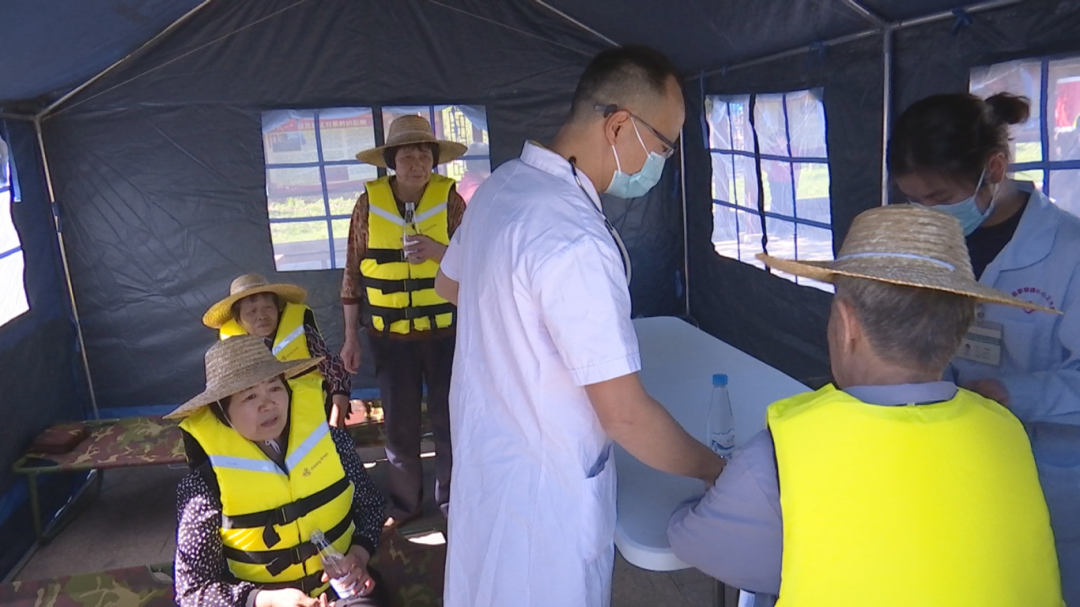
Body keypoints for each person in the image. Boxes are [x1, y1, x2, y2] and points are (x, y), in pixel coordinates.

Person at [434, 45, 724, 607]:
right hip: (547, 502)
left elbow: (450, 284)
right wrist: (716, 470)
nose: (662, 162)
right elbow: (625, 415)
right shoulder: (574, 238)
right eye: (664, 145)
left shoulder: (503, 186)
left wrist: (515, 328)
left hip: (491, 460)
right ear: (618, 125)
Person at [668, 205, 1063, 606]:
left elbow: (692, 542)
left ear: (846, 325)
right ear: (958, 334)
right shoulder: (1006, 433)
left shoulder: (784, 454)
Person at [888, 92, 1080, 604]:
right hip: (962, 457)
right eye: (914, 200)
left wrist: (1011, 394)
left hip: (1052, 473)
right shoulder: (932, 245)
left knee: (1050, 587)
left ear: (993, 169)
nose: (928, 213)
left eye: (939, 197)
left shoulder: (1069, 251)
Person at [170, 336, 387, 607]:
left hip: (341, 590)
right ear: (222, 413)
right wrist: (267, 600)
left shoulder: (334, 443)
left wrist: (358, 556)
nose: (268, 403)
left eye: (275, 387)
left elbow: (371, 506)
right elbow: (192, 592)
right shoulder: (203, 486)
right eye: (250, 396)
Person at [341, 115, 466, 526]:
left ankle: (454, 502)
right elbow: (352, 272)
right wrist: (350, 338)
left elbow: (476, 259)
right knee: (399, 426)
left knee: (451, 420)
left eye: (425, 154)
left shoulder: (452, 202)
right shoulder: (367, 205)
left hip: (446, 333)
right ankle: (405, 505)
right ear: (392, 161)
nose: (417, 162)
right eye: (408, 155)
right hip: (389, 337)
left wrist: (437, 251)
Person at [203, 274, 352, 427]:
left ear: (278, 309)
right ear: (238, 319)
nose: (261, 316)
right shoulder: (228, 349)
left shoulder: (303, 332)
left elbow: (337, 374)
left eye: (268, 307)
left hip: (316, 419)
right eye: (251, 312)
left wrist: (336, 422)